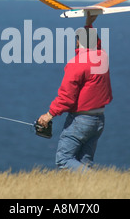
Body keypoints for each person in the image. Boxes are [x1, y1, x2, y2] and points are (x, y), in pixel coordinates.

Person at [38, 13, 113, 171]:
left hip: (81, 121)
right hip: (99, 120)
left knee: (64, 160)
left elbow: (66, 97)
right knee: (84, 163)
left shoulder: (77, 64)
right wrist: (88, 25)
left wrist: (49, 115)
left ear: (78, 42)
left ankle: (100, 183)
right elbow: (96, 44)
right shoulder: (102, 56)